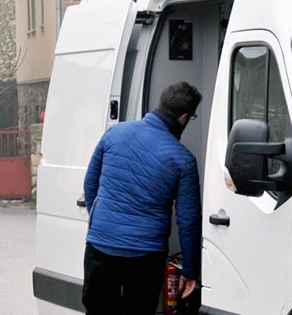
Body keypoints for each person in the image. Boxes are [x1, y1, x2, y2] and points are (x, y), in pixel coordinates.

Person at [82, 82, 203, 315]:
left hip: (100, 248)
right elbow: (188, 220)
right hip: (145, 256)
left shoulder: (114, 133)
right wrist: (190, 271)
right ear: (185, 117)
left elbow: (90, 185)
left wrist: (102, 225)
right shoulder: (183, 159)